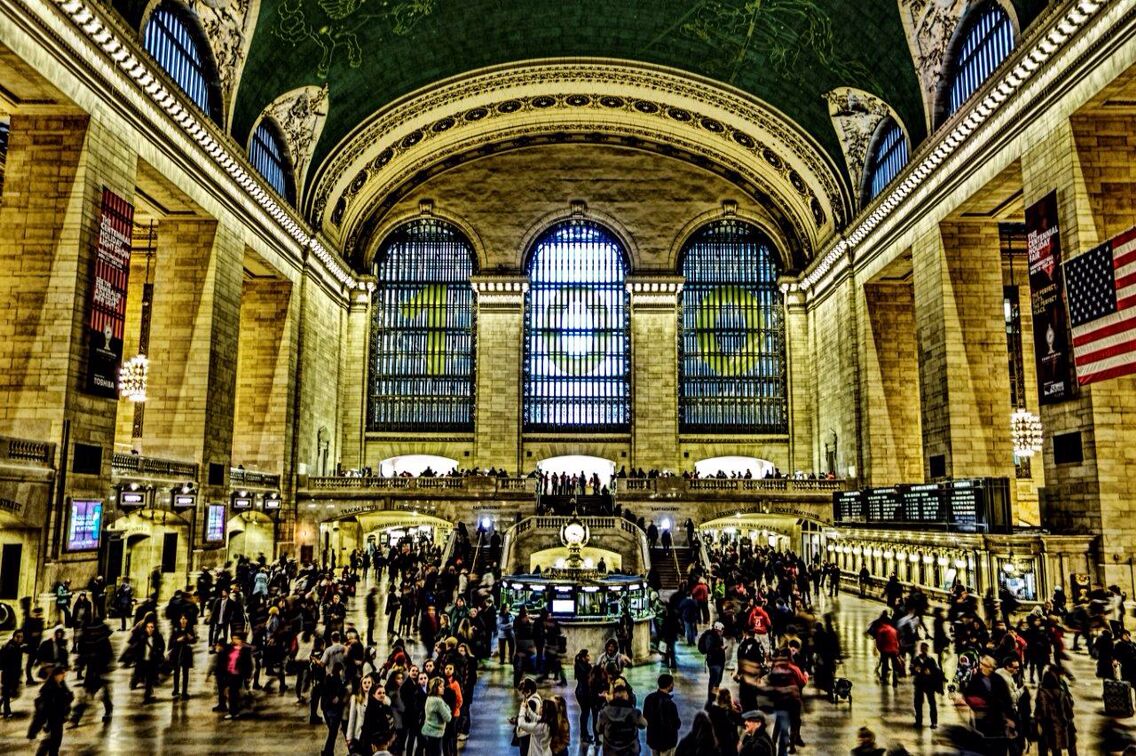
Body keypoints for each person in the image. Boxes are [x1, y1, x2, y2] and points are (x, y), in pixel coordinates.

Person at [963, 654, 1015, 756]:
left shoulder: (998, 679)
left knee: (999, 749)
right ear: (982, 665)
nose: (990, 669)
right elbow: (967, 696)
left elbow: (1007, 700)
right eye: (987, 666)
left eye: (991, 667)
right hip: (981, 722)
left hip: (998, 721)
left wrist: (1010, 718)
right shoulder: (975, 680)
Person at [70, 621, 113, 725]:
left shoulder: (101, 640)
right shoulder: (85, 639)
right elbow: (82, 653)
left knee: (94, 692)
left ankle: (77, 716)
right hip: (92, 669)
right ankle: (76, 716)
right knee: (87, 693)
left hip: (99, 669)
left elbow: (108, 654)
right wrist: (80, 664)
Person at [26, 664, 72, 756]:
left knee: (54, 745)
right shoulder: (49, 689)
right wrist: (33, 730)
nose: (64, 675)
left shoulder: (61, 685)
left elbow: (67, 699)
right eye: (62, 674)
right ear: (56, 675)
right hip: (51, 721)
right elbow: (41, 712)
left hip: (58, 720)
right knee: (48, 745)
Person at [597, 681, 647, 756]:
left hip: (610, 751)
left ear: (613, 697)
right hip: (630, 750)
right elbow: (644, 725)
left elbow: (598, 729)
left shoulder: (604, 713)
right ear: (626, 696)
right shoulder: (635, 713)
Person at [1034, 668, 1075, 756]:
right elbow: (1069, 711)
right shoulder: (1061, 692)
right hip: (1059, 726)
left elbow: (1042, 711)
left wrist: (1038, 721)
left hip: (1046, 726)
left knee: (1043, 748)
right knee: (1056, 748)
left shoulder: (1042, 693)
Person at [643, 673, 681, 756]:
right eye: (672, 683)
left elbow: (645, 718)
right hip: (667, 742)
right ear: (668, 686)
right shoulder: (670, 704)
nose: (673, 685)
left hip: (653, 739)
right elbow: (676, 724)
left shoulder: (649, 698)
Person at [910, 642, 943, 729]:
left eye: (926, 649)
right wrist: (915, 670)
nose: (924, 650)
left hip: (929, 684)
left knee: (932, 703)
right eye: (923, 648)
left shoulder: (931, 660)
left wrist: (930, 672)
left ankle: (934, 722)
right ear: (921, 649)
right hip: (919, 683)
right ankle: (918, 721)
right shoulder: (916, 659)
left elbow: (936, 671)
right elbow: (911, 669)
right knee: (918, 703)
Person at [321, 663, 348, 756]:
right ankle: (327, 752)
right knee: (333, 733)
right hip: (334, 710)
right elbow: (340, 692)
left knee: (332, 732)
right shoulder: (337, 680)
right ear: (340, 670)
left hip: (327, 709)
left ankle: (328, 751)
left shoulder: (328, 677)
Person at [168, 613, 196, 700]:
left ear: (187, 620)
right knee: (176, 672)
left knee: (185, 673)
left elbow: (194, 640)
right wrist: (177, 640)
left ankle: (184, 692)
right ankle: (176, 690)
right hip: (177, 652)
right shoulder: (176, 629)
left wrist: (191, 638)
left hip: (186, 653)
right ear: (179, 620)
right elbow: (171, 641)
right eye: (182, 619)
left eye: (185, 619)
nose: (183, 620)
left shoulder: (190, 629)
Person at [422, 677, 453, 756]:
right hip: (435, 734)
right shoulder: (438, 701)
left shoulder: (429, 698)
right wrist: (448, 708)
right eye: (440, 686)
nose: (443, 688)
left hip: (427, 731)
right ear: (435, 688)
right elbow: (448, 718)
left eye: (443, 686)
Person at [1, 629, 23, 717]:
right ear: (14, 637)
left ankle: (6, 709)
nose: (20, 639)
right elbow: (5, 662)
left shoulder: (17, 647)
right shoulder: (10, 648)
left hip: (13, 674)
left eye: (21, 637)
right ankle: (7, 711)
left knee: (8, 693)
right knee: (7, 693)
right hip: (8, 674)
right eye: (18, 637)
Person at [574, 649, 595, 743]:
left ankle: (585, 734)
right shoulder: (582, 667)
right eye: (587, 656)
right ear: (583, 658)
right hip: (583, 692)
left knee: (585, 713)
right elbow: (587, 677)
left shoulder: (583, 665)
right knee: (585, 713)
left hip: (583, 691)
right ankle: (583, 735)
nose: (589, 657)